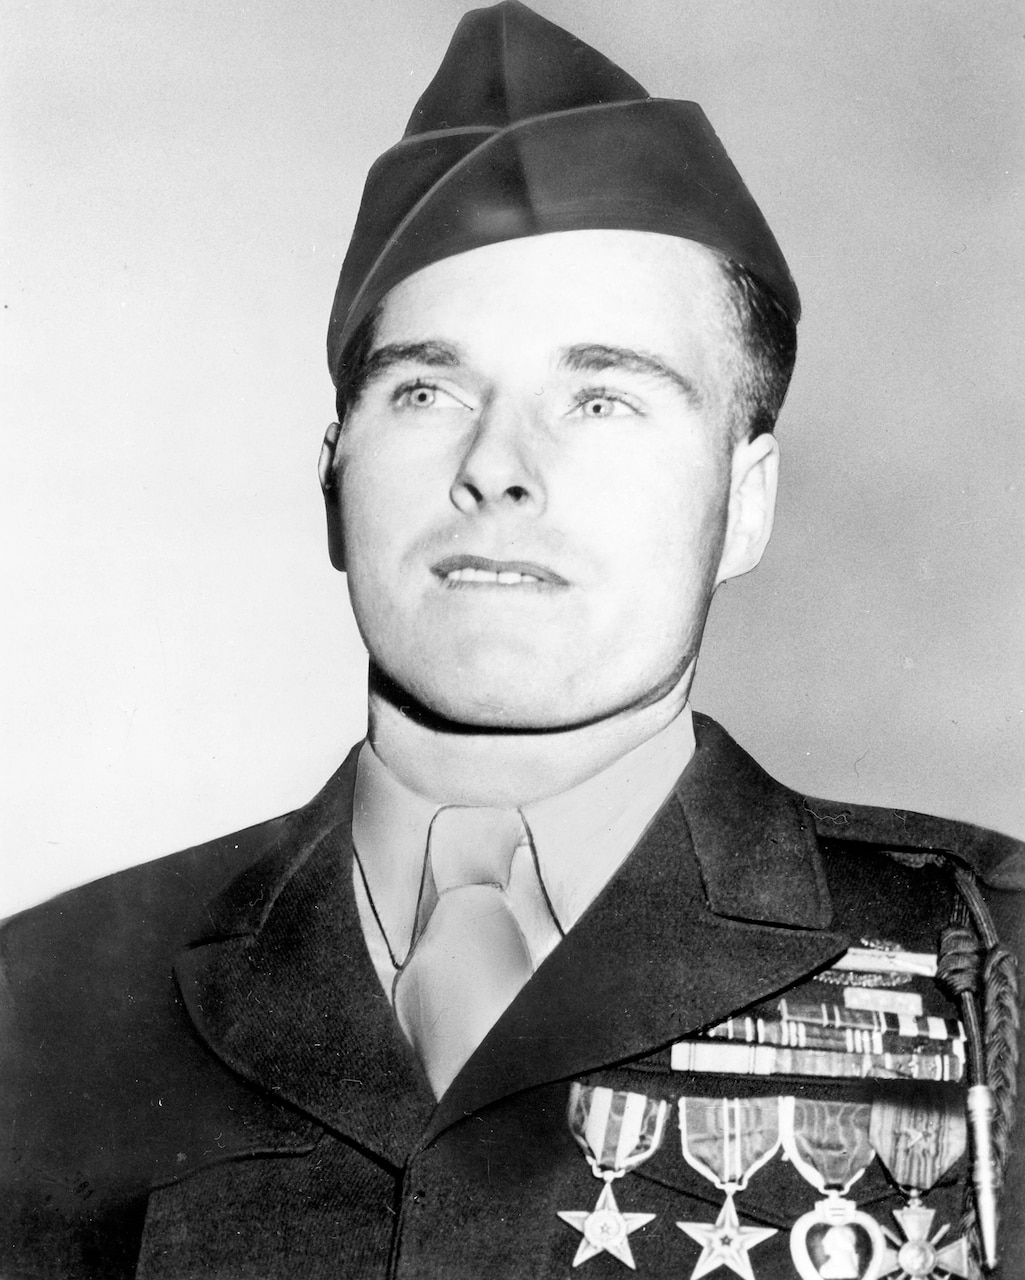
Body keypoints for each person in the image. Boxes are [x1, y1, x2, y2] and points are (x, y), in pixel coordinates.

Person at [2, 4, 1022, 1278]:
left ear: (743, 500)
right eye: (427, 390)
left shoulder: (990, 971)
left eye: (602, 398)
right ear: (334, 477)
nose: (497, 467)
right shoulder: (42, 1006)